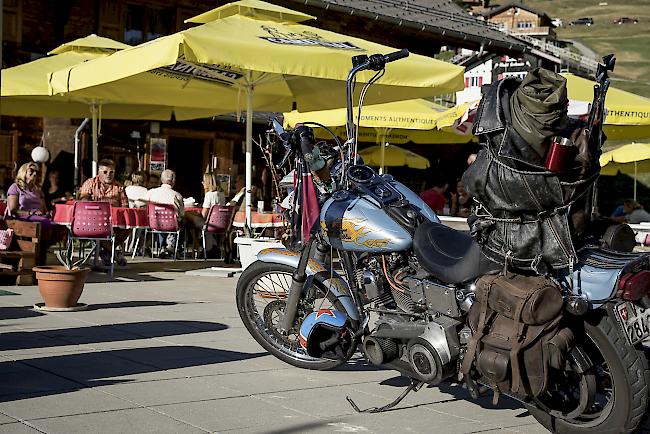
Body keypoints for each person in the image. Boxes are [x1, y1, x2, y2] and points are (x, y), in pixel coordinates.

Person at [6, 162, 66, 264]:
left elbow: (44, 210)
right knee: (45, 223)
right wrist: (30, 213)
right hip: (22, 218)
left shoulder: (37, 190)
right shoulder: (15, 187)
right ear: (24, 171)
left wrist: (48, 213)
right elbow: (13, 210)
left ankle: (41, 250)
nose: (34, 174)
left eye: (36, 172)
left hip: (38, 219)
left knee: (60, 226)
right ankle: (40, 254)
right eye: (31, 170)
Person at [78, 159, 129, 266]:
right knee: (97, 231)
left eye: (111, 172)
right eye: (105, 172)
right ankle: (113, 254)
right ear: (99, 172)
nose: (108, 175)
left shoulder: (119, 187)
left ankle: (107, 251)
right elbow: (82, 200)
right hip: (92, 221)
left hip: (113, 222)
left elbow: (125, 206)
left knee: (128, 228)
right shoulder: (90, 183)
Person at [143, 169, 184, 258]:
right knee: (180, 222)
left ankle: (161, 247)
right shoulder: (177, 195)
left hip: (154, 224)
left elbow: (142, 206)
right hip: (171, 225)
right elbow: (182, 213)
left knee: (160, 222)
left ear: (161, 180)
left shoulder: (151, 192)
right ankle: (170, 246)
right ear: (173, 181)